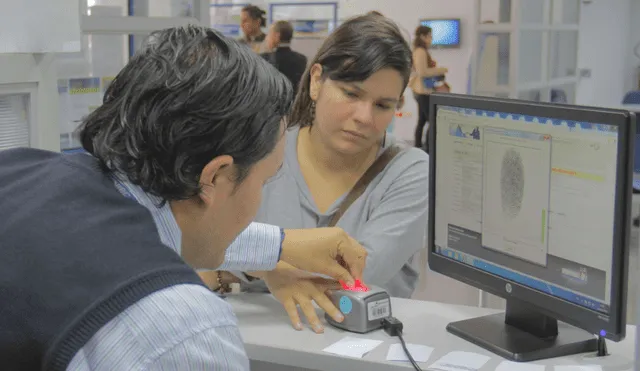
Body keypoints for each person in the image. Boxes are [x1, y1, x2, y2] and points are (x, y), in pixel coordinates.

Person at [0, 26, 368, 371]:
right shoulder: (183, 330)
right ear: (214, 177)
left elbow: (152, 234)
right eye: (264, 181)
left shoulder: (20, 173)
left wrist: (281, 246)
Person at [201, 14, 429, 333]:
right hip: (257, 346)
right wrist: (269, 270)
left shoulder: (409, 170)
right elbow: (200, 242)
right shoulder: (264, 151)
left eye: (382, 105)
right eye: (351, 93)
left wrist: (256, 266)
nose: (364, 117)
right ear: (317, 80)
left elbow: (356, 275)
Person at [410, 25, 449, 150]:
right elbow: (423, 72)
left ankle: (418, 147)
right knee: (432, 121)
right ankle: (428, 149)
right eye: (430, 36)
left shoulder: (419, 50)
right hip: (423, 91)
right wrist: (441, 69)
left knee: (422, 120)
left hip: (421, 90)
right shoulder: (420, 52)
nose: (431, 39)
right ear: (423, 36)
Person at [261, 20, 307, 92]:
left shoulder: (264, 59)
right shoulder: (302, 59)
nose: (266, 38)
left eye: (269, 34)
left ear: (277, 36)